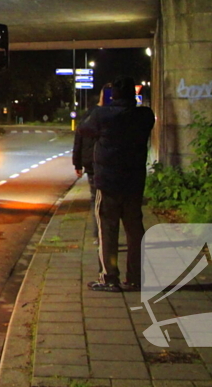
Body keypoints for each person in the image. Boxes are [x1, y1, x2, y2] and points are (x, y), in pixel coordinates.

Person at [76, 76, 155, 293]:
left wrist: (102, 104)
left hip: (108, 182)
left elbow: (84, 129)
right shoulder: (144, 116)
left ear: (113, 96)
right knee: (135, 231)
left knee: (107, 230)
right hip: (134, 182)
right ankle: (136, 278)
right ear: (134, 94)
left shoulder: (102, 115)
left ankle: (109, 278)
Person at [72, 89, 106, 242]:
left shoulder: (89, 114)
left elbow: (79, 138)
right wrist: (77, 163)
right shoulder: (115, 115)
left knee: (97, 201)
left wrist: (77, 163)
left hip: (93, 163)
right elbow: (79, 137)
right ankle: (101, 235)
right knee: (101, 200)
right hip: (96, 164)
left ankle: (100, 236)